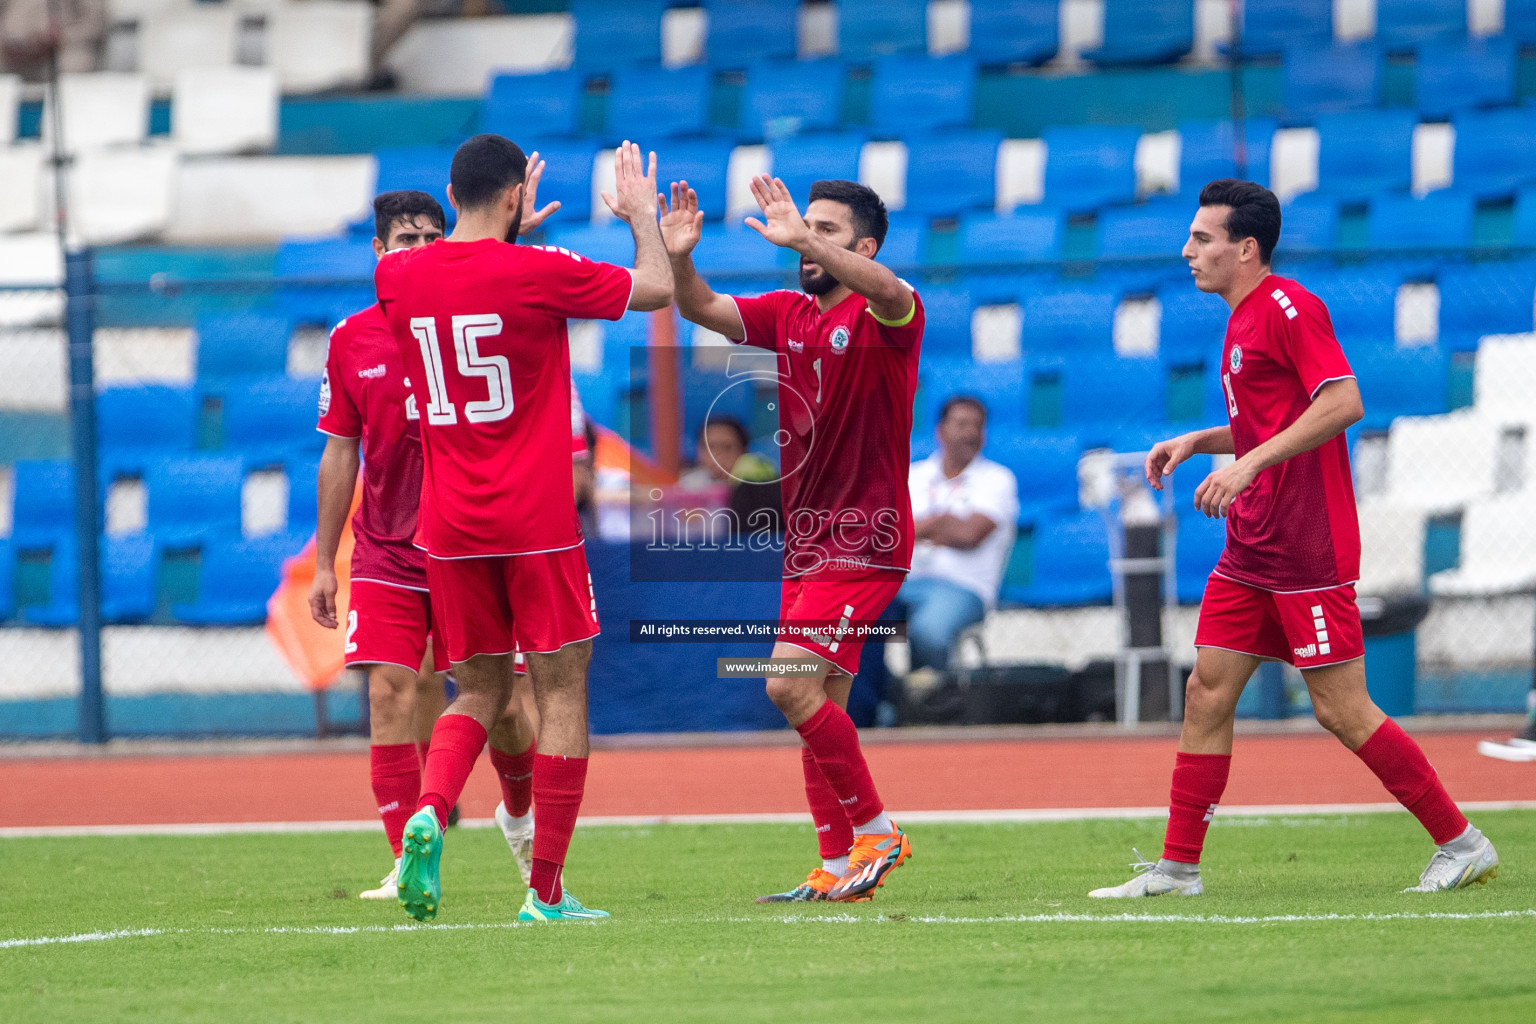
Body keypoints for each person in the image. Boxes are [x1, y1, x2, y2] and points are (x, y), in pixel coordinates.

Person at [1091, 179, 1498, 898]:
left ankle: (1461, 842)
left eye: (1203, 239)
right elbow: (1269, 421)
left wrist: (1245, 463)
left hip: (1305, 546)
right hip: (1253, 546)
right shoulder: (1241, 317)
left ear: (1246, 249)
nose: (1187, 251)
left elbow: (1342, 402)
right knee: (1206, 693)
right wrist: (1200, 440)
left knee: (1340, 709)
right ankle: (1179, 869)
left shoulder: (1289, 308)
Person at [375, 135, 672, 922]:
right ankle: (544, 894)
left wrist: (505, 231)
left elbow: (466, 278)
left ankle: (430, 811)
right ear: (515, 197)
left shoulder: (395, 274)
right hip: (536, 520)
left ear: (450, 191)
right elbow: (654, 286)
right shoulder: (539, 269)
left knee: (473, 690)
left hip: (448, 524)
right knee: (562, 692)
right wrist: (641, 217)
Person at [663, 174, 919, 903]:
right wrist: (680, 256)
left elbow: (895, 291)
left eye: (824, 231)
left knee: (785, 684)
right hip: (806, 541)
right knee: (819, 701)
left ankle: (877, 829)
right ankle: (838, 867)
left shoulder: (886, 314)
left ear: (863, 248)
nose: (801, 238)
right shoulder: (788, 313)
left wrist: (806, 238)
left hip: (864, 538)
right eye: (803, 226)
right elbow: (702, 306)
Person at [309, 186, 556, 900]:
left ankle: (520, 818)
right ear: (380, 252)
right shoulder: (351, 338)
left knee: (506, 709)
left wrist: (511, 241)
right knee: (390, 692)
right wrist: (326, 561)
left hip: (472, 541)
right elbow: (339, 452)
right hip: (387, 547)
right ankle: (408, 861)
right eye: (404, 240)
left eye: (429, 238)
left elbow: (516, 302)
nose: (418, 250)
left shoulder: (466, 321)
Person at [899, 395, 1018, 673]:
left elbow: (969, 535)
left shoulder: (998, 479)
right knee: (854, 624)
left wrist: (917, 529)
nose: (971, 433)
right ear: (940, 431)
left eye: (978, 426)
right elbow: (887, 533)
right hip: (903, 582)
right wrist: (942, 524)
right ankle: (878, 705)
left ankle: (934, 706)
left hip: (964, 587)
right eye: (962, 424)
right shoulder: (912, 475)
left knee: (929, 631)